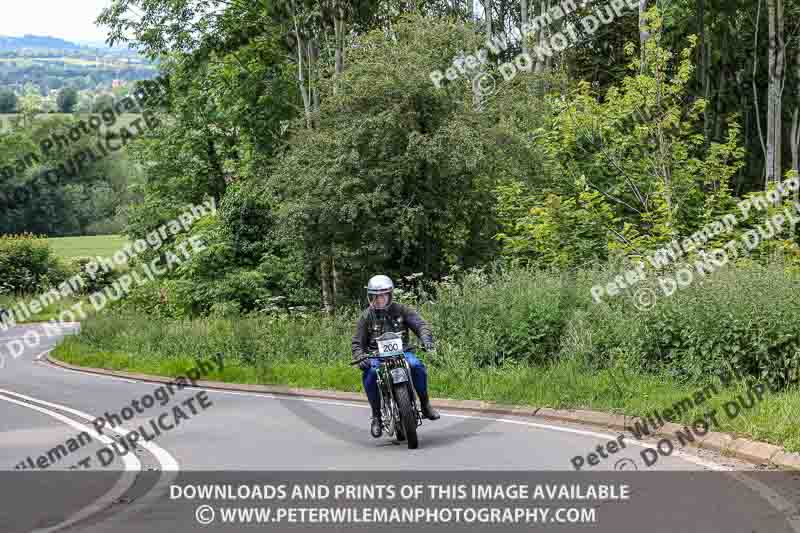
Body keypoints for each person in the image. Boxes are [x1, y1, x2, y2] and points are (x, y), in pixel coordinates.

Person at [351, 274, 440, 438]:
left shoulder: (402, 310)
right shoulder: (365, 317)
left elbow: (420, 325)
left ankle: (425, 405)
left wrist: (427, 341)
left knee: (416, 366)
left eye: (383, 295)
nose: (379, 299)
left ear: (390, 294)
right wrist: (361, 356)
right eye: (375, 296)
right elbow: (357, 343)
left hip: (403, 352)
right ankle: (376, 416)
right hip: (376, 356)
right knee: (370, 373)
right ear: (370, 296)